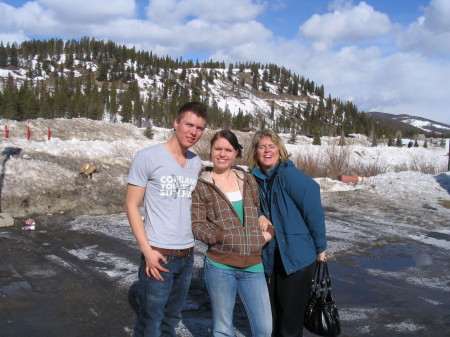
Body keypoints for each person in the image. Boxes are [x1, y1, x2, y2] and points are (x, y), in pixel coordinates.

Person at [125, 102, 208, 337]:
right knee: (151, 321)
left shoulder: (195, 162)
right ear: (176, 123)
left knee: (171, 319)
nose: (193, 132)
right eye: (189, 124)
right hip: (159, 254)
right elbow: (131, 205)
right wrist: (147, 250)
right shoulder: (148, 157)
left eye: (199, 128)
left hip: (187, 255)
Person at [191, 130, 274, 337]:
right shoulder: (202, 185)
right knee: (222, 329)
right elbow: (197, 225)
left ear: (236, 153)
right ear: (210, 151)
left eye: (228, 150)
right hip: (220, 266)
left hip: (253, 266)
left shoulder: (246, 179)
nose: (222, 154)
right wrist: (221, 237)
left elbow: (256, 209)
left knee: (264, 329)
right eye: (218, 148)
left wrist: (267, 229)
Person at [247, 129, 327, 337]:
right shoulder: (254, 179)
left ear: (280, 150)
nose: (267, 151)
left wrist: (321, 248)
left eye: (271, 146)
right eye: (261, 146)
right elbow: (249, 205)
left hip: (297, 258)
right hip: (271, 257)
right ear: (255, 152)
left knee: (290, 322)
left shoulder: (288, 175)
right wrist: (258, 214)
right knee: (272, 318)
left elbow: (313, 209)